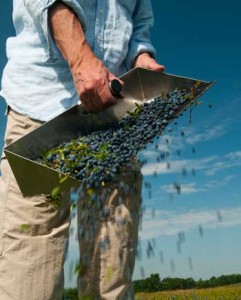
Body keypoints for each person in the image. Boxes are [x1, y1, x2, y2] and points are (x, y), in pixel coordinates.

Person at [0, 1, 164, 299]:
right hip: (42, 108)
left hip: (114, 113)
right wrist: (80, 59)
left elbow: (140, 21)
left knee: (113, 256)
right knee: (32, 255)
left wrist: (141, 57)